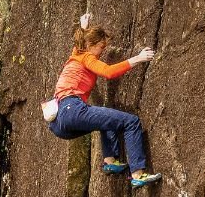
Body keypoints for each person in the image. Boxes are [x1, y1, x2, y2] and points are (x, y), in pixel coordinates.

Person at [45, 23, 159, 188]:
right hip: (72, 108)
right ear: (90, 46)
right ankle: (138, 174)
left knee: (105, 120)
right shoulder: (87, 57)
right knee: (131, 122)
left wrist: (83, 26)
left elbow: (78, 44)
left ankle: (110, 161)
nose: (102, 51)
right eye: (100, 46)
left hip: (58, 123)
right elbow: (109, 72)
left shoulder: (76, 55)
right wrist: (139, 58)